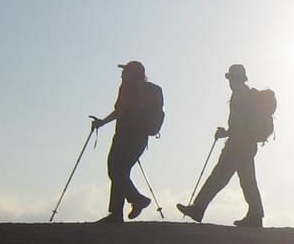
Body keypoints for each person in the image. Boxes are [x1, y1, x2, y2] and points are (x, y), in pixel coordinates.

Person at [178, 64, 266, 227]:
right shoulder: (245, 94)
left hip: (238, 145)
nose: (230, 81)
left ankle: (198, 208)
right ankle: (255, 215)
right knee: (246, 180)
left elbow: (240, 125)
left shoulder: (240, 95)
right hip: (246, 145)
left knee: (219, 177)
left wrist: (226, 133)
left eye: (231, 78)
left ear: (234, 79)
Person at [90, 60, 163, 223]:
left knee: (115, 170)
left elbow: (120, 110)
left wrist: (101, 123)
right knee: (121, 172)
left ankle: (135, 201)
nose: (122, 74)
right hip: (141, 138)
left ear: (134, 74)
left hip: (125, 136)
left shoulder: (128, 88)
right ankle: (117, 213)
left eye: (126, 71)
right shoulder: (150, 90)